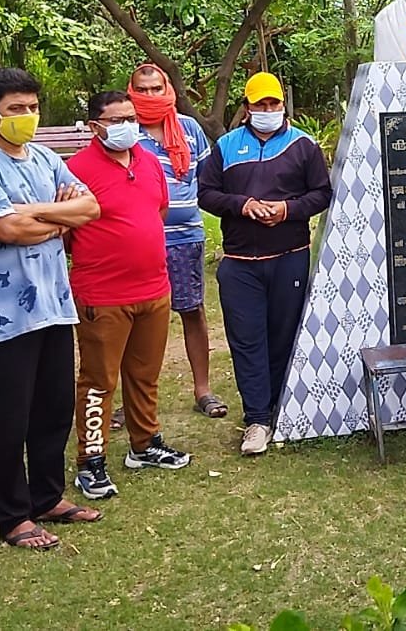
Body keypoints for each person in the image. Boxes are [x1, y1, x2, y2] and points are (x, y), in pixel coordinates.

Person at [0, 68, 101, 549]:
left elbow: (91, 209)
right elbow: (4, 230)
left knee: (54, 406)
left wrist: (33, 212)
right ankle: (13, 515)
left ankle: (47, 496)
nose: (27, 117)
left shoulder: (42, 157)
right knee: (10, 414)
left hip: (55, 303)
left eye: (33, 107)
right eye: (17, 108)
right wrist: (57, 219)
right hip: (6, 311)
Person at [198, 72, 331, 456]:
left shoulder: (303, 145)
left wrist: (287, 210)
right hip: (239, 263)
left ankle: (282, 409)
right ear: (246, 108)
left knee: (284, 336)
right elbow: (206, 193)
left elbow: (322, 194)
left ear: (282, 106)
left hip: (289, 257)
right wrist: (242, 204)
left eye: (273, 104)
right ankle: (257, 418)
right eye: (260, 104)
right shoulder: (225, 146)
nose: (268, 110)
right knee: (247, 340)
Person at [66, 91, 192, 499]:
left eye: (131, 117)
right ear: (95, 127)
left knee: (145, 374)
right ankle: (91, 459)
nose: (127, 126)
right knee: (99, 380)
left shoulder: (149, 161)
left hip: (153, 287)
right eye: (116, 119)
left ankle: (145, 443)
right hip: (102, 293)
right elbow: (67, 232)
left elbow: (157, 212)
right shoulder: (75, 170)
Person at [128, 63, 224, 419]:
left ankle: (203, 390)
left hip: (185, 237)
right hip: (139, 240)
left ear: (167, 89)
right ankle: (132, 400)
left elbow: (206, 176)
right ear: (132, 93)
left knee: (192, 310)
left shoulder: (188, 128)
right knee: (134, 318)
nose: (150, 96)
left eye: (156, 88)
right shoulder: (125, 132)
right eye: (143, 90)